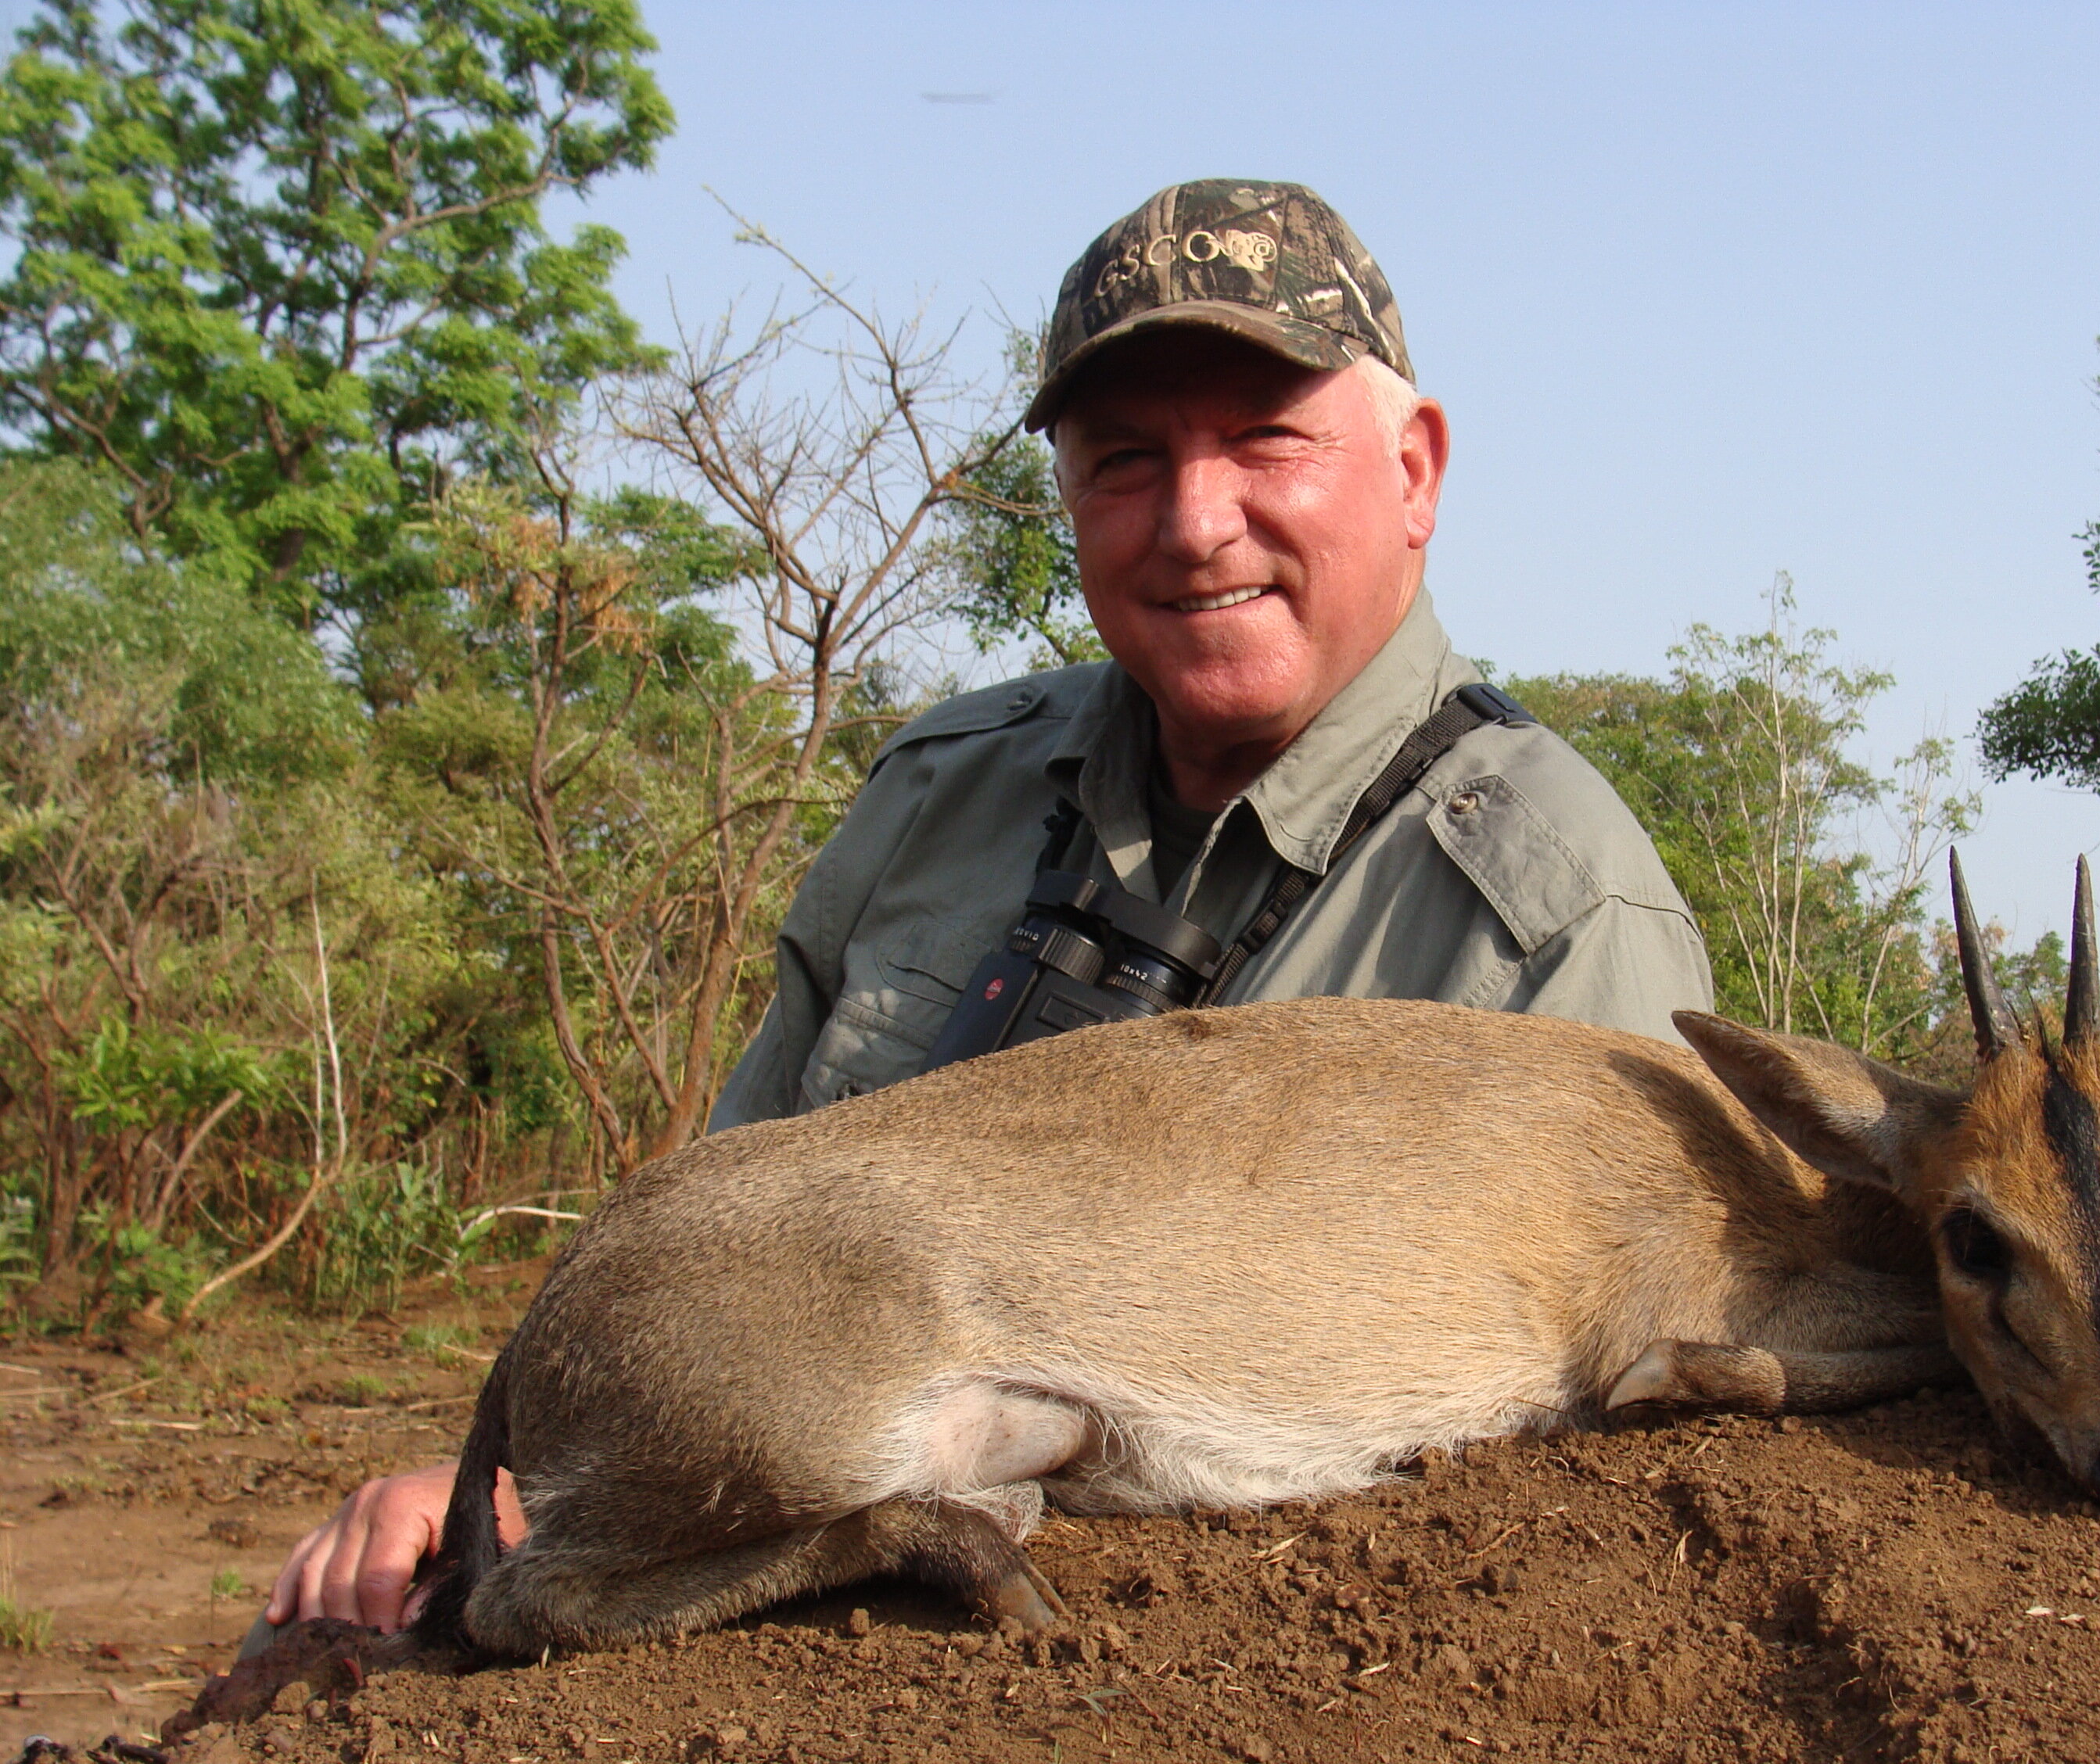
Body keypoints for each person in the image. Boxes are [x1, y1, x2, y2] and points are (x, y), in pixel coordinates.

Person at [257, 177, 1716, 1637]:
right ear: (1066, 494)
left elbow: (1599, 1503)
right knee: (313, 1645)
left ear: (1413, 469)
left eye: (1266, 439)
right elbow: (725, 1244)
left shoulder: (1556, 907)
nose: (1194, 523)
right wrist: (501, 1497)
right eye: (1125, 459)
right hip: (774, 1574)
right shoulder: (939, 788)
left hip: (1194, 1696)